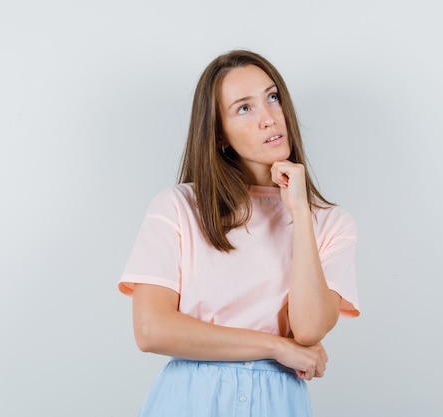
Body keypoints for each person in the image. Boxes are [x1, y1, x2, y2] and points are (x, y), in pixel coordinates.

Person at [118, 49, 360, 417]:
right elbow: (152, 330)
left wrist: (298, 213)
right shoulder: (178, 207)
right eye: (244, 108)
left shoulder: (330, 223)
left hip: (279, 405)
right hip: (189, 402)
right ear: (219, 134)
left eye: (273, 97)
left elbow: (308, 330)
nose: (268, 118)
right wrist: (277, 347)